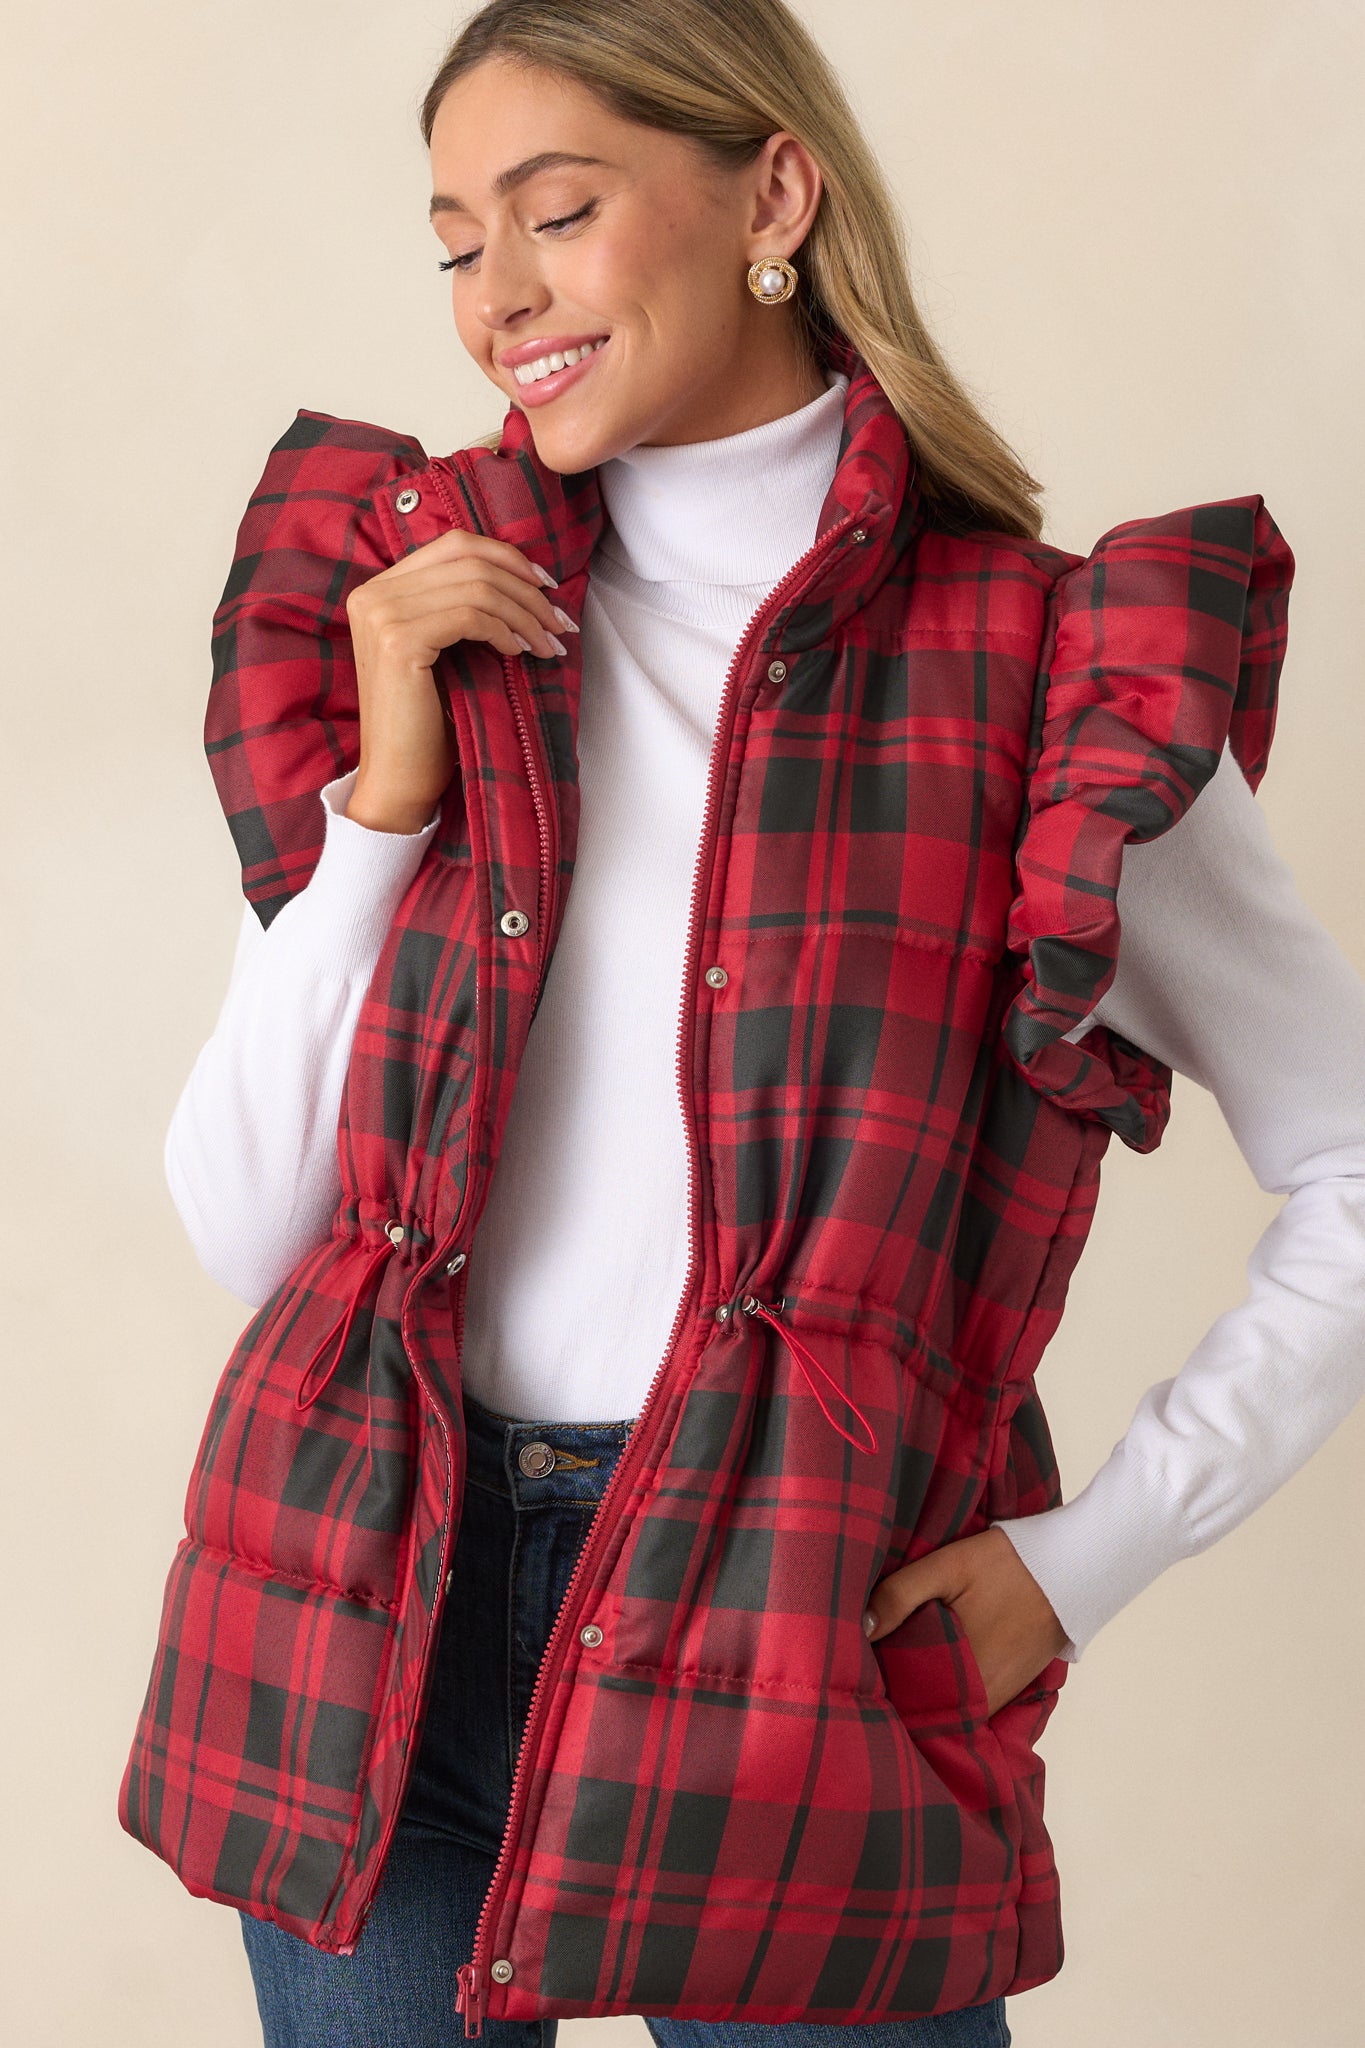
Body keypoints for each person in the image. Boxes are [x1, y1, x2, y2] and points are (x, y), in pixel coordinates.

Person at [121, 4, 1365, 2046]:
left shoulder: (1050, 674)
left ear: (769, 191)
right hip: (371, 1613)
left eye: (556, 212)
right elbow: (258, 1233)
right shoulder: (429, 609)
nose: (495, 297)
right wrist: (380, 811)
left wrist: (1089, 1549)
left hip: (800, 1642)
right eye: (453, 240)